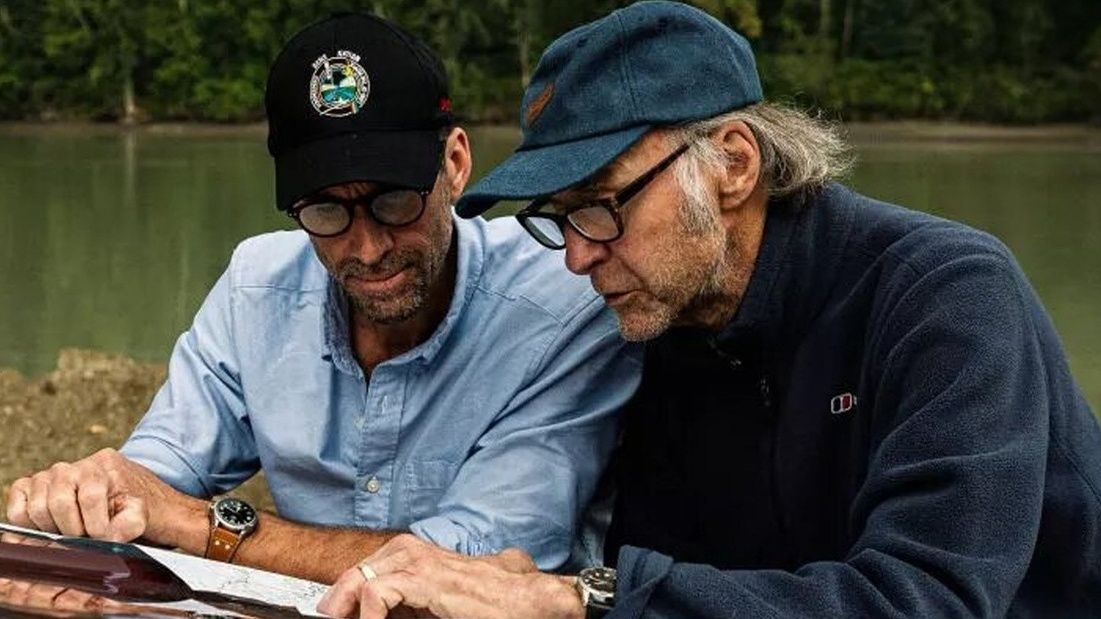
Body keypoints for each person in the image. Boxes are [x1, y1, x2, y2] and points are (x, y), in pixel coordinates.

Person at [316, 2, 1101, 617]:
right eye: (558, 216)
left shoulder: (945, 294)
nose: (577, 254)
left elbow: (927, 600)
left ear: (731, 162)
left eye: (598, 205)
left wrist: (574, 596)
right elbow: (667, 569)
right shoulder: (673, 328)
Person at [4, 12, 641, 585]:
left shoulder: (563, 302)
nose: (365, 248)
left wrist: (212, 528)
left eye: (394, 202)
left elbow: (475, 564)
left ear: (454, 162)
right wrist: (96, 494)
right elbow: (156, 476)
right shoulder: (257, 285)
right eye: (325, 210)